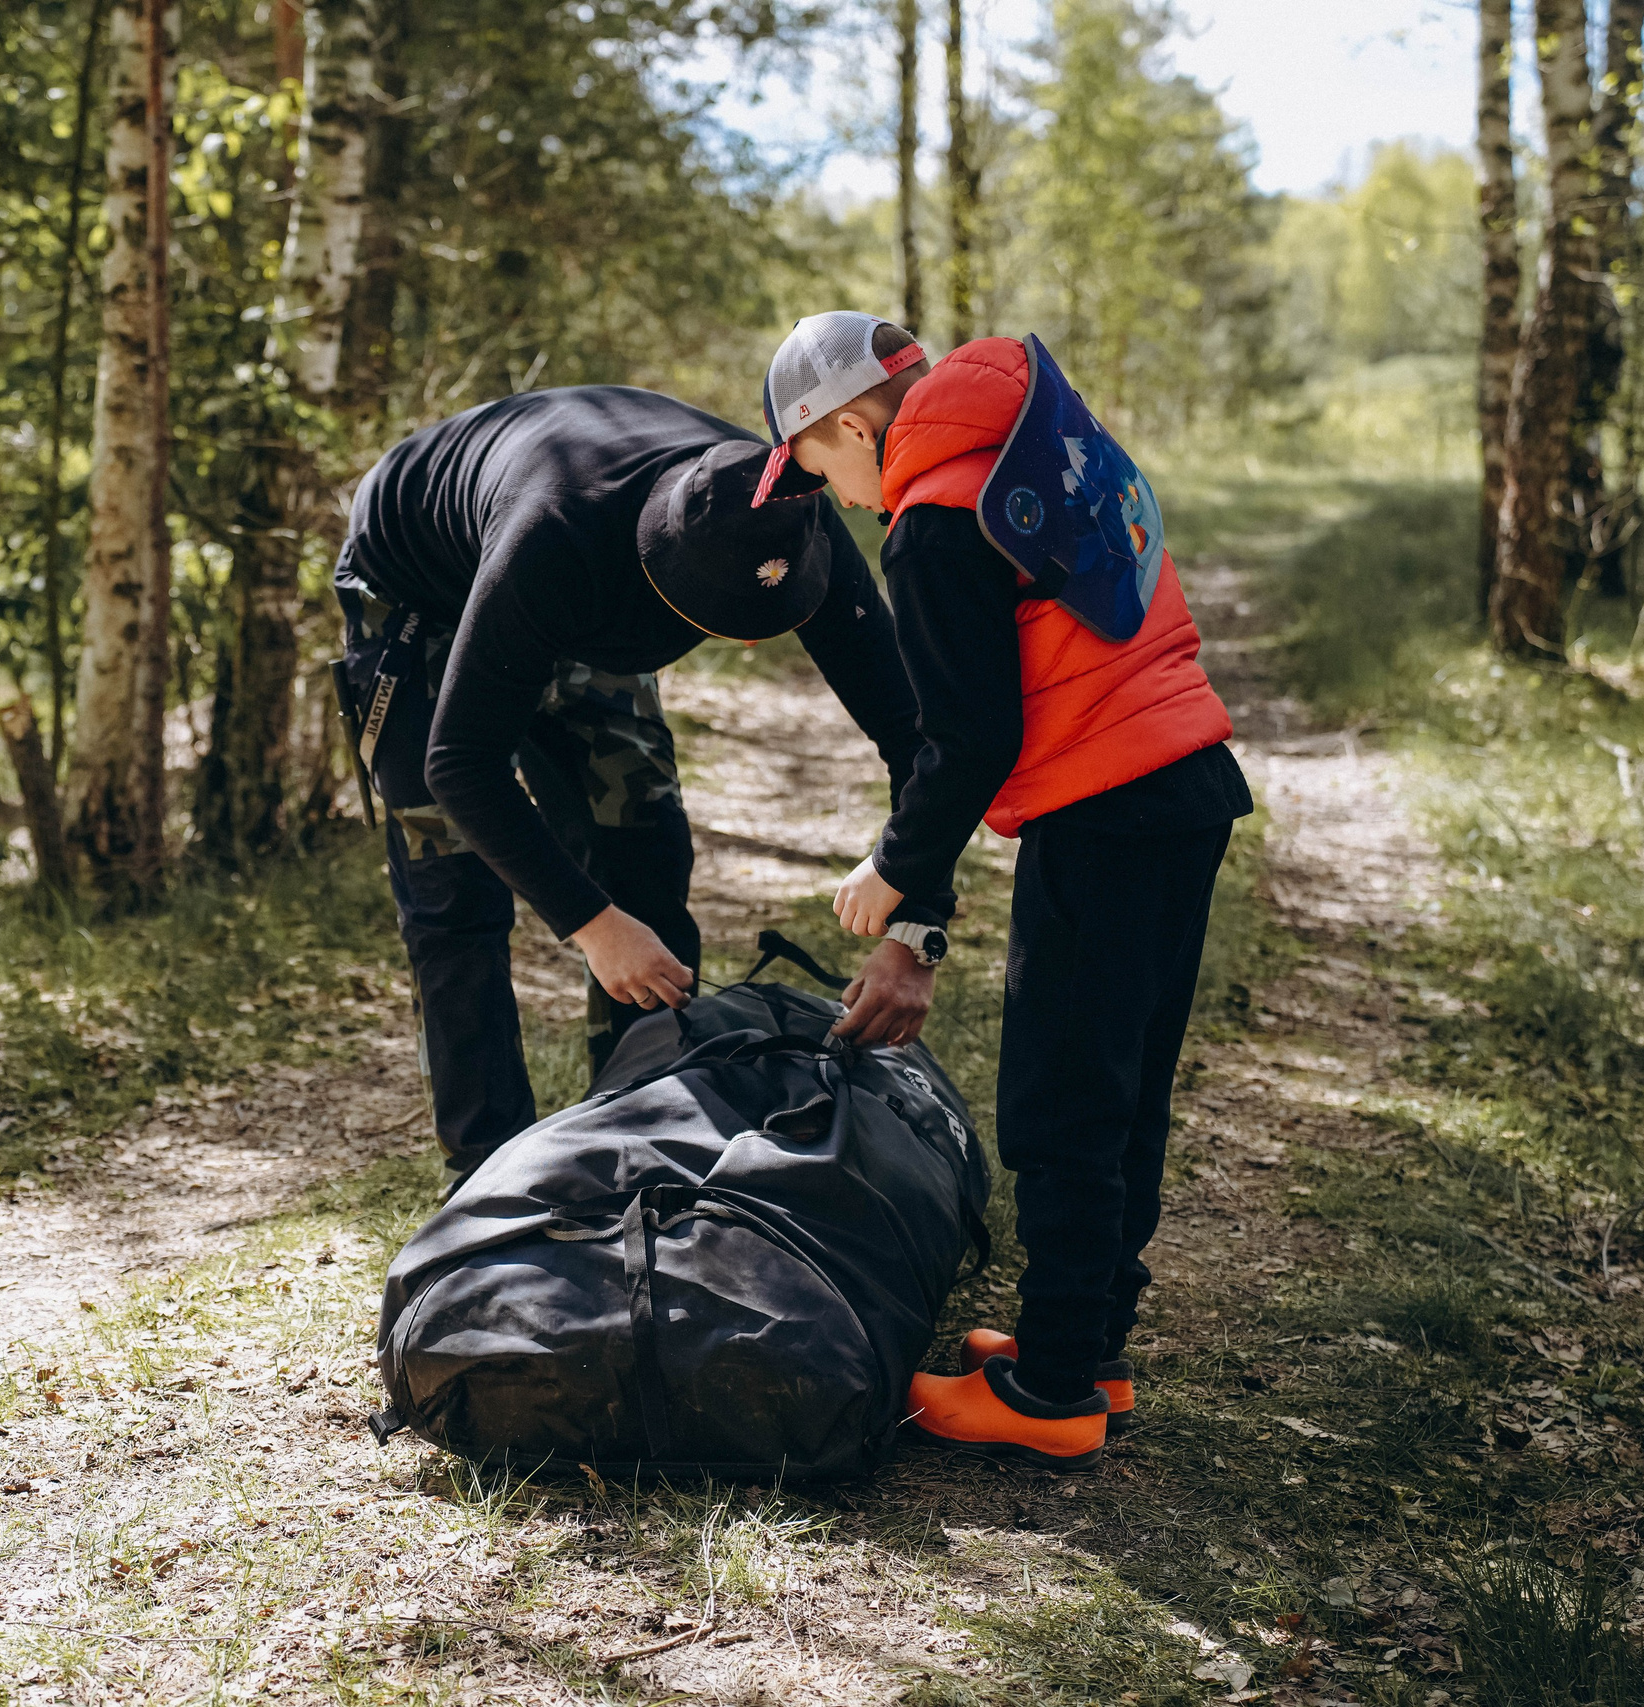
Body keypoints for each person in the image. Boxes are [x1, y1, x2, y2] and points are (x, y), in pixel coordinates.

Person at [757, 313, 1254, 1471]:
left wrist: (897, 872)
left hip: (1105, 810)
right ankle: (1083, 1342)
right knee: (1122, 1089)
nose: (833, 497)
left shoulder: (935, 519)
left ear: (845, 425)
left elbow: (965, 738)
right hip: (1184, 783)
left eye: (818, 471)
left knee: (1063, 1102)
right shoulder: (1025, 435)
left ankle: (1051, 1393)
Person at [335, 384, 935, 1186]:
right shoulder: (555, 540)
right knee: (456, 897)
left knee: (646, 855)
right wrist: (591, 923)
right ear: (667, 576)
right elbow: (460, 762)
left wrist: (917, 927)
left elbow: (918, 737)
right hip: (422, 587)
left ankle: (643, 1137)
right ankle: (489, 1181)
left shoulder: (794, 515)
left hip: (586, 586)